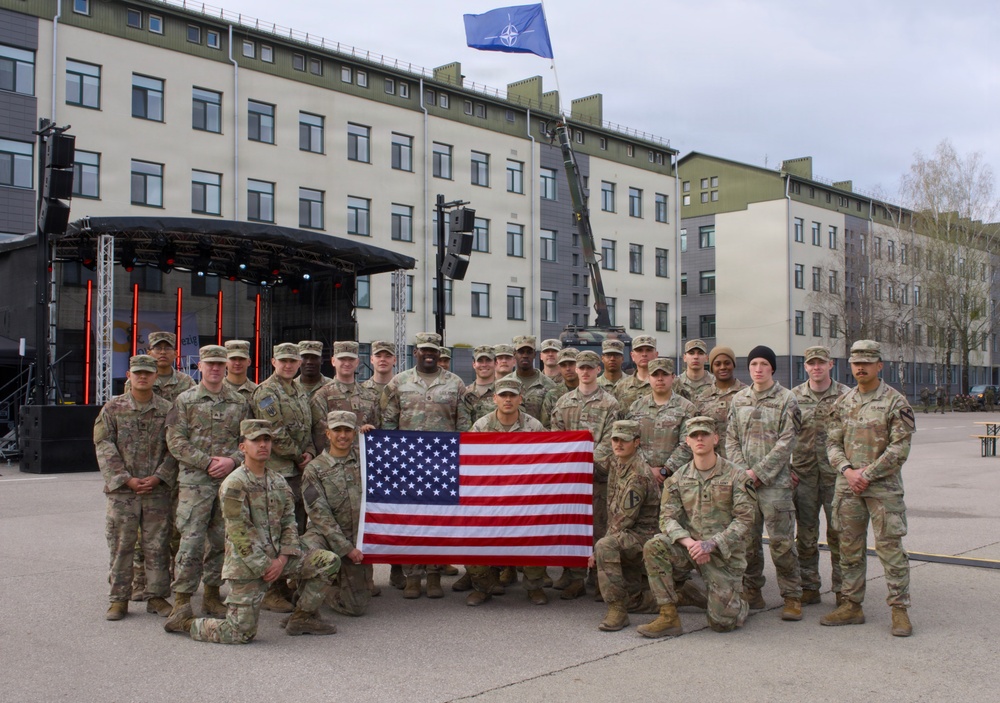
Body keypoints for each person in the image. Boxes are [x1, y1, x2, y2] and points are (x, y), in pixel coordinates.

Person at [164, 419, 341, 643]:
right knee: (239, 633)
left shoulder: (278, 481)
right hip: (247, 565)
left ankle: (302, 618)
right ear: (243, 447)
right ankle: (185, 622)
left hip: (279, 558)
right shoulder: (234, 484)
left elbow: (289, 523)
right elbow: (240, 534)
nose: (263, 445)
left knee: (327, 561)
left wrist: (283, 558)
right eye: (256, 440)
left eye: (267, 439)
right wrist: (266, 566)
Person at [822, 340, 916, 637]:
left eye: (867, 362)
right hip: (848, 486)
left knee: (890, 548)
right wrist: (848, 471)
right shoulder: (843, 402)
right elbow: (832, 442)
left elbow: (900, 448)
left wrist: (868, 474)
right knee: (848, 547)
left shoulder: (895, 402)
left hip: (883, 489)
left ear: (879, 365)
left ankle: (899, 610)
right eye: (855, 362)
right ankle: (852, 605)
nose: (860, 367)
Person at [638, 416, 756, 637]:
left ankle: (736, 603)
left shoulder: (737, 475)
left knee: (722, 623)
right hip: (690, 548)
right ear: (688, 442)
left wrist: (711, 544)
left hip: (723, 553)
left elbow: (745, 520)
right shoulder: (678, 478)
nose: (699, 438)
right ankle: (668, 617)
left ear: (715, 439)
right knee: (654, 546)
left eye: (704, 434)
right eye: (694, 435)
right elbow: (667, 518)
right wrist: (691, 543)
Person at [165, 345, 249, 620]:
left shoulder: (238, 401)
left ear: (226, 367)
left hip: (228, 482)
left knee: (221, 541)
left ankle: (212, 595)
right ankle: (182, 600)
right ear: (199, 367)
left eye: (219, 364)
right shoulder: (185, 400)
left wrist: (232, 461)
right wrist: (207, 462)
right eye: (210, 364)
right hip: (195, 483)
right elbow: (175, 441)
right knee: (190, 541)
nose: (215, 368)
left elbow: (248, 440)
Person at [380, 332, 465, 599]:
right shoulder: (399, 382)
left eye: (434, 351)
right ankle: (413, 577)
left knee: (438, 521)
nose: (429, 354)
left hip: (443, 463)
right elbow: (388, 421)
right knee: (412, 520)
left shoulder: (455, 383)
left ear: (440, 354)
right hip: (408, 464)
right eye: (423, 350)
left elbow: (463, 423)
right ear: (414, 352)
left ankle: (435, 574)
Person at [95, 354, 177, 620]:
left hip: (156, 490)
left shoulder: (167, 409)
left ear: (155, 377)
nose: (142, 377)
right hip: (123, 492)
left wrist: (159, 477)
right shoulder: (112, 408)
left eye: (148, 373)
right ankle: (119, 598)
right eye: (137, 373)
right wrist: (125, 478)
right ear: (129, 375)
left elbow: (174, 448)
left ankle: (156, 597)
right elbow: (104, 446)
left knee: (158, 545)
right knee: (122, 544)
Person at [726, 345, 803, 621]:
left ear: (772, 368)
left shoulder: (787, 399)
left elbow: (787, 442)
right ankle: (752, 591)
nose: (758, 369)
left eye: (763, 364)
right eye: (754, 364)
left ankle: (792, 596)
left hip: (775, 485)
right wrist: (742, 472)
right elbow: (731, 439)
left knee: (782, 544)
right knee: (747, 542)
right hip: (744, 483)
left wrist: (759, 472)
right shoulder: (739, 400)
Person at [464, 377, 549, 606]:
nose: (508, 399)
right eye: (503, 395)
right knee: (474, 539)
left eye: (513, 395)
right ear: (495, 399)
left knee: (535, 538)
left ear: (521, 398)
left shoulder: (534, 426)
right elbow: (468, 461)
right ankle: (483, 587)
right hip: (489, 497)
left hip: (525, 497)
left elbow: (547, 460)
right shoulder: (481, 426)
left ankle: (534, 587)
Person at [550, 350, 620, 598]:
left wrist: (585, 461)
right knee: (573, 527)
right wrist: (571, 463)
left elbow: (611, 439)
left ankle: (599, 578)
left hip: (598, 475)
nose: (586, 372)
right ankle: (575, 577)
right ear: (576, 370)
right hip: (571, 479)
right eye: (582, 368)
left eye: (591, 367)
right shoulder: (564, 402)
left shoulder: (610, 403)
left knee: (600, 526)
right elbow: (556, 436)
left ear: (598, 370)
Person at [251, 342, 315, 611]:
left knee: (295, 527)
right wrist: (299, 456)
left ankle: (288, 581)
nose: (288, 365)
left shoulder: (299, 390)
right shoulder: (266, 391)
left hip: (297, 471)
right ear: (273, 362)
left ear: (299, 364)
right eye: (283, 361)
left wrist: (310, 450)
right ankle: (270, 591)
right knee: (272, 531)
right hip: (277, 471)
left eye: (293, 361)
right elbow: (274, 433)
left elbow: (307, 427)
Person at [791, 346, 850, 606]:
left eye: (821, 363)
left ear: (831, 364)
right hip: (803, 475)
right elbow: (784, 436)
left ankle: (842, 589)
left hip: (835, 476)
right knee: (805, 534)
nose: (816, 367)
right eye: (811, 363)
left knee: (839, 533)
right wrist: (788, 469)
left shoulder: (845, 396)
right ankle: (809, 586)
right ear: (805, 367)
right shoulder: (793, 397)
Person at [591, 420, 661, 631]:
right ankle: (676, 595)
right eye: (615, 439)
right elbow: (591, 465)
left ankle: (617, 611)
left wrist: (598, 549)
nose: (619, 444)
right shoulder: (616, 461)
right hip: (628, 534)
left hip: (643, 537)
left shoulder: (638, 474)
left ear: (637, 442)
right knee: (634, 599)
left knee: (605, 546)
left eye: (625, 441)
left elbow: (623, 518)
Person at [301, 411, 372, 618]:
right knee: (307, 555)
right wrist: (345, 548)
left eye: (348, 430)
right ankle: (306, 589)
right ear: (327, 434)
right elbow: (318, 514)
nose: (343, 435)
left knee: (356, 606)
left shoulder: (366, 460)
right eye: (337, 430)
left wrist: (375, 438)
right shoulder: (314, 469)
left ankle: (327, 591)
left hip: (356, 537)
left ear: (355, 432)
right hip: (324, 536)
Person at [628, 358, 696, 482]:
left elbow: (688, 444)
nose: (660, 379)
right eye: (655, 375)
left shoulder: (687, 408)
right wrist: (647, 469)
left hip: (676, 479)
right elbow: (631, 442)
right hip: (641, 477)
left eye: (665, 374)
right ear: (649, 378)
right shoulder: (636, 407)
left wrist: (666, 470)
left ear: (673, 377)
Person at [702, 346, 745, 458]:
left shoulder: (747, 394)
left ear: (733, 365)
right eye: (717, 364)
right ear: (711, 368)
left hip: (742, 463)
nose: (723, 367)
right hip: (713, 462)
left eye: (727, 363)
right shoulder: (702, 398)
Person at [503, 335, 555, 422]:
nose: (525, 356)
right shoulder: (504, 383)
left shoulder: (550, 385)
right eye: (521, 352)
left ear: (535, 354)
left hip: (539, 433)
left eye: (529, 352)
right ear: (514, 354)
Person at [142, 331, 196, 403]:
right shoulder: (140, 380)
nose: (163, 352)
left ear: (175, 353)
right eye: (158, 348)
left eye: (168, 348)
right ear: (149, 353)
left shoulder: (187, 381)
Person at [457, 345, 498, 432]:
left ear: (495, 363)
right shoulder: (465, 393)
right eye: (480, 361)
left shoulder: (504, 392)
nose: (484, 364)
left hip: (497, 442)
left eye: (488, 360)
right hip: (471, 443)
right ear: (474, 364)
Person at [614, 335, 657, 411]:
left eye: (648, 350)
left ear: (656, 354)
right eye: (639, 350)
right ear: (632, 355)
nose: (644, 354)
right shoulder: (621, 386)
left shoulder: (670, 383)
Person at [540, 347, 579, 428]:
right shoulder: (552, 395)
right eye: (563, 365)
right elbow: (545, 427)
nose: (568, 369)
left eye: (571, 364)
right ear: (559, 368)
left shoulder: (593, 391)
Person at [673, 339, 716, 412]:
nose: (696, 357)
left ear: (706, 358)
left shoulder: (715, 383)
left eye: (700, 353)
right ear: (684, 357)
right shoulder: (675, 384)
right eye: (691, 353)